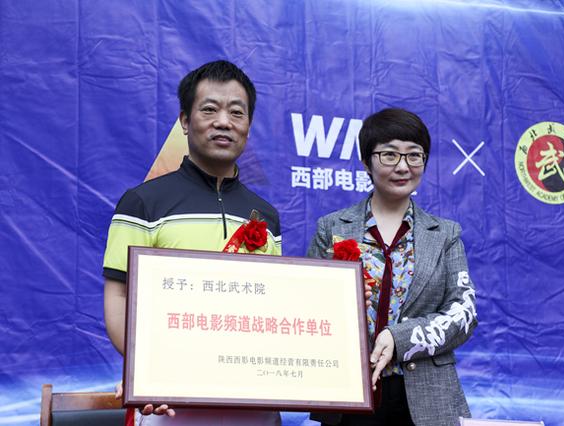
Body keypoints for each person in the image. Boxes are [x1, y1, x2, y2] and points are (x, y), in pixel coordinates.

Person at [103, 60, 281, 425]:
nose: (224, 122)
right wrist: (146, 371)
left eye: (237, 112)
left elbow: (272, 308)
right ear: (185, 121)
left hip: (252, 401)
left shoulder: (265, 216)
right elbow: (118, 298)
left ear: (248, 125)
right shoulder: (142, 203)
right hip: (168, 403)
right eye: (209, 109)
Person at [307, 108, 477, 426]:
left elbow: (463, 313)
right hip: (349, 391)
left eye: (414, 155)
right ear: (366, 162)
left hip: (426, 398)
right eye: (389, 155)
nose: (402, 166)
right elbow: (310, 306)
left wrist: (400, 338)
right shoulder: (332, 228)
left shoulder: (445, 234)